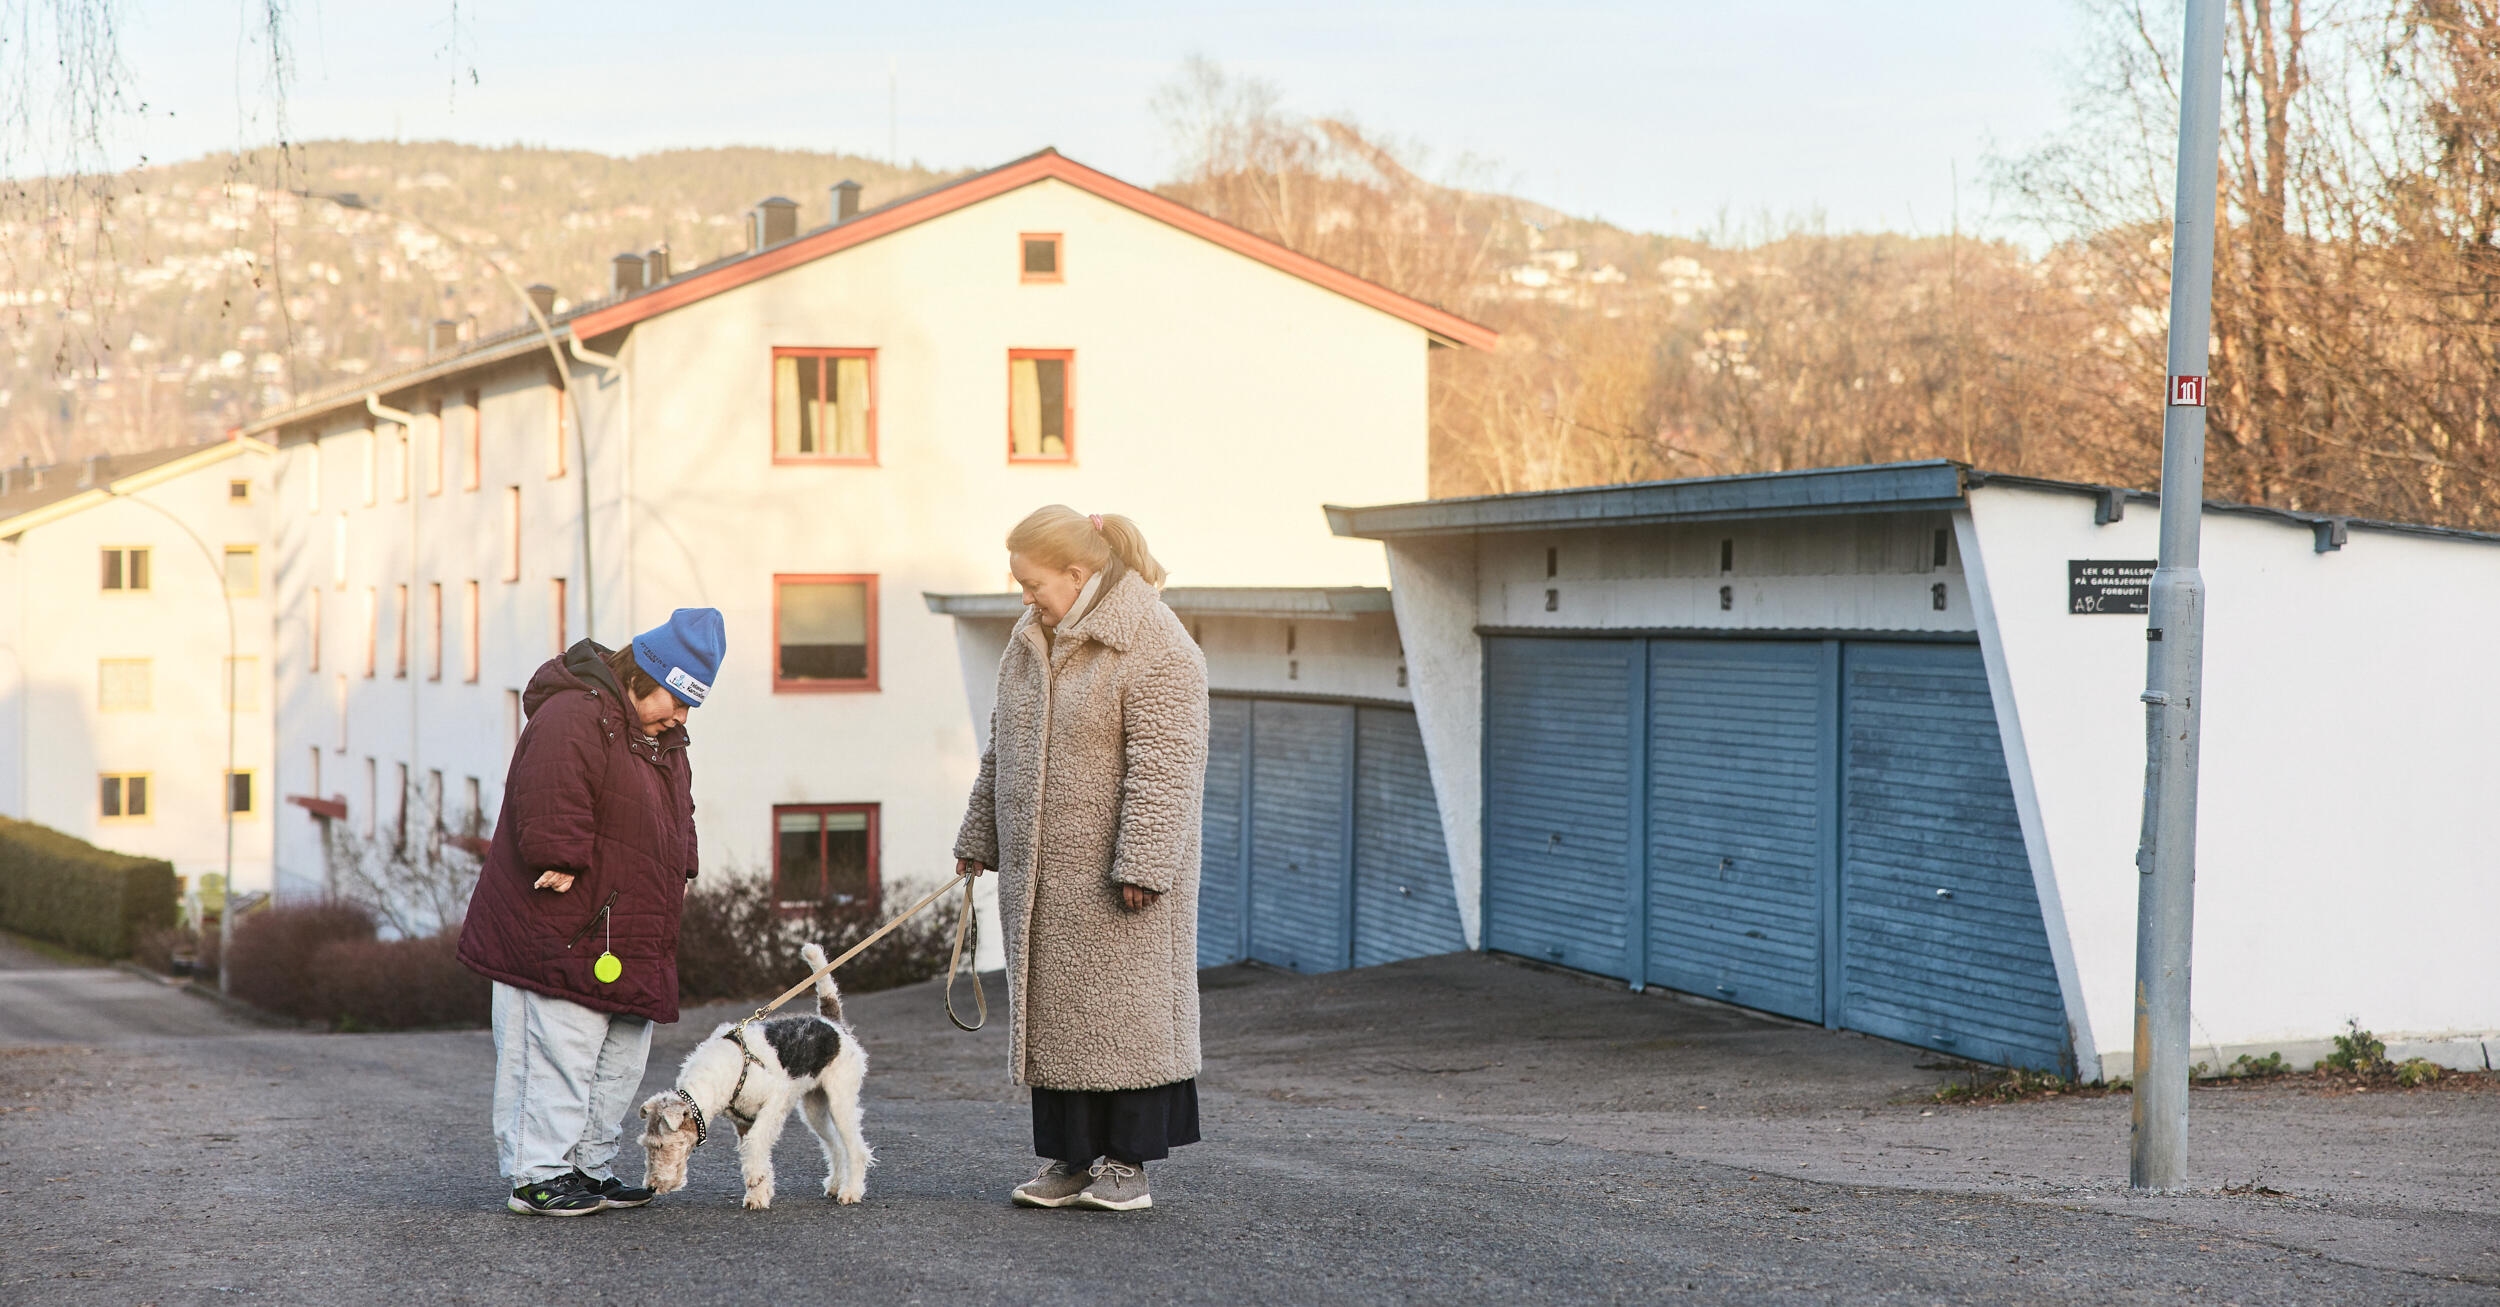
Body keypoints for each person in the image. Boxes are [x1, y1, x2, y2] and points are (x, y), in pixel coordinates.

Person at [954, 506, 1210, 1212]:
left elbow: (1166, 764)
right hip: (1046, 880)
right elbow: (1001, 748)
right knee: (1061, 1021)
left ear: (1077, 572)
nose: (1024, 596)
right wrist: (979, 835)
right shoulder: (1028, 641)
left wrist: (1145, 862)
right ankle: (1069, 1160)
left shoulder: (1156, 643)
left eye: (1032, 582)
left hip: (1121, 881)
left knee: (1127, 1022)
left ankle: (1127, 1165)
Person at [455, 608, 726, 1216]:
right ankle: (539, 1175)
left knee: (617, 1058)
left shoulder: (662, 738)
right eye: (676, 700)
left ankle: (587, 1167)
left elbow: (678, 812)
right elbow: (549, 782)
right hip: (563, 922)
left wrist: (684, 862)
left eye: (690, 706)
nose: (680, 717)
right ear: (643, 674)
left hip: (628, 928)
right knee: (556, 1052)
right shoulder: (575, 711)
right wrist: (561, 852)